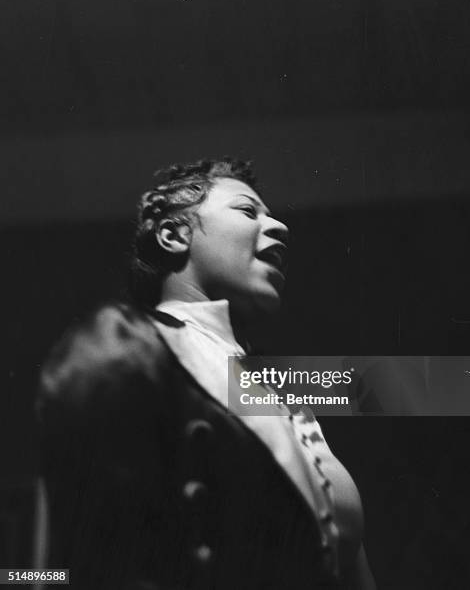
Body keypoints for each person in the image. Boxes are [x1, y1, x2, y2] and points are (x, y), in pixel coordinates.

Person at [37, 158, 376, 589]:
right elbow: (73, 566)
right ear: (175, 235)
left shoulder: (278, 384)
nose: (280, 227)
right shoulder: (122, 349)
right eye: (247, 211)